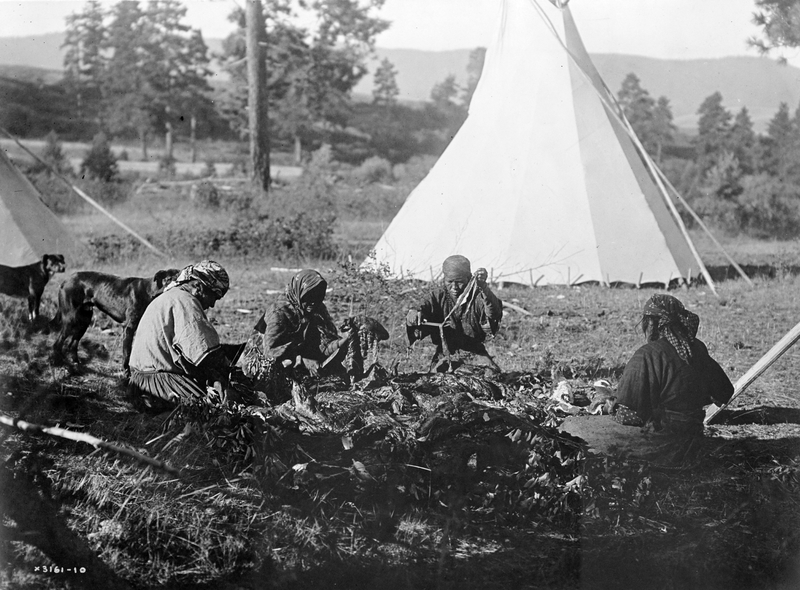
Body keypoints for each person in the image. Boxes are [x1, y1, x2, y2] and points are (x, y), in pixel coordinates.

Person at [614, 294, 733, 436]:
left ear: (651, 323)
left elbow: (629, 415)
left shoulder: (646, 355)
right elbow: (724, 393)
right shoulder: (696, 347)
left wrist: (610, 407)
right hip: (694, 434)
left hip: (662, 440)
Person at [128, 260, 232, 411]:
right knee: (220, 412)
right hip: (157, 382)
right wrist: (225, 376)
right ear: (198, 286)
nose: (212, 305)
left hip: (138, 382)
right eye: (214, 296)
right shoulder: (185, 301)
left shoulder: (172, 296)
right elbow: (205, 353)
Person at [240, 269, 357, 403]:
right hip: (264, 362)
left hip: (298, 354)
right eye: (309, 296)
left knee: (340, 379)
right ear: (299, 292)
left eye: (318, 296)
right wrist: (302, 360)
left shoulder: (318, 309)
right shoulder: (279, 312)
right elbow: (271, 353)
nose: (313, 301)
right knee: (287, 389)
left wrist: (345, 340)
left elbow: (325, 343)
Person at [406, 254, 503, 371]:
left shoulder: (478, 296)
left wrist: (483, 287)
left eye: (459, 282)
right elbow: (422, 306)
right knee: (437, 381)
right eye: (450, 281)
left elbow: (493, 311)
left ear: (469, 278)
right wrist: (414, 312)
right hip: (445, 354)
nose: (454, 287)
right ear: (444, 278)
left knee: (493, 375)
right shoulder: (437, 295)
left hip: (475, 353)